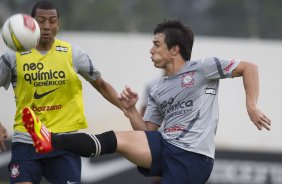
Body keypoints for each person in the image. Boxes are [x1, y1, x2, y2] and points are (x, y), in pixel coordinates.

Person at [21, 19, 271, 184]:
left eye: (156, 44)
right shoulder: (157, 88)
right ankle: (49, 140)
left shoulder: (203, 68)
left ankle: (51, 140)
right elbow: (147, 133)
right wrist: (130, 111)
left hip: (193, 158)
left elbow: (249, 68)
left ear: (174, 49)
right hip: (165, 146)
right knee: (114, 139)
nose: (150, 50)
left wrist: (251, 106)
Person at [0, 1, 121, 183]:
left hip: (65, 141)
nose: (47, 26)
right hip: (27, 140)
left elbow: (101, 85)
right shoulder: (13, 56)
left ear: (59, 23)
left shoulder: (73, 54)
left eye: (52, 21)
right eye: (41, 21)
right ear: (32, 23)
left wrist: (126, 108)